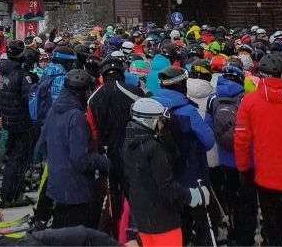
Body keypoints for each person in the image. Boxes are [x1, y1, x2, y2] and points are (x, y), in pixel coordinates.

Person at [234, 54, 282, 246]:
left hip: (265, 175)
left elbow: (242, 140)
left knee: (272, 226)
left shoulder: (249, 102)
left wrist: (243, 169)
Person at [123, 97, 211, 247]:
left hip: (142, 216)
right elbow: (166, 186)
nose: (162, 124)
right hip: (162, 219)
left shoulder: (128, 142)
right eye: (160, 120)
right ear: (149, 121)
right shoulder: (154, 148)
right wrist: (192, 195)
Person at [154, 66, 215, 246]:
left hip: (162, 173)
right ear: (182, 84)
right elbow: (208, 140)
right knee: (197, 216)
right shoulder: (187, 110)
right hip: (190, 172)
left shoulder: (151, 105)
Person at [41, 69, 108, 228]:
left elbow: (42, 142)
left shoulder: (55, 108)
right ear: (83, 92)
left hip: (57, 180)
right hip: (75, 188)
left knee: (61, 230)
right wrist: (103, 161)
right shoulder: (76, 116)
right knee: (75, 233)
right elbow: (80, 159)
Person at [88, 57, 143, 235]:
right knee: (133, 193)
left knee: (111, 195)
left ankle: (112, 230)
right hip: (133, 150)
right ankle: (130, 231)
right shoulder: (134, 92)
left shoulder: (94, 97)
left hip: (107, 152)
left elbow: (92, 129)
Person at [206, 65, 258, 246]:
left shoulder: (213, 98)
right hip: (248, 159)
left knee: (231, 197)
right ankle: (247, 237)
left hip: (224, 158)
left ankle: (233, 232)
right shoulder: (248, 98)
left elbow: (209, 126)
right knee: (248, 200)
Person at [0, 40, 34, 206]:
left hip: (8, 120)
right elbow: (30, 98)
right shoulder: (20, 74)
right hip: (21, 122)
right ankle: (11, 194)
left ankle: (9, 190)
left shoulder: (5, 70)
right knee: (19, 159)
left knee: (12, 157)